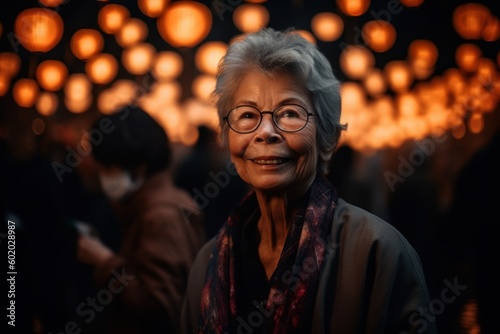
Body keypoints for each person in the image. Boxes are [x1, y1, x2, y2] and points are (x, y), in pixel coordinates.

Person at [181, 28, 437, 334]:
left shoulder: (378, 251)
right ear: (227, 137)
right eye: (247, 115)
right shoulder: (208, 262)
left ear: (328, 138)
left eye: (289, 113)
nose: (265, 131)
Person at [77, 105, 206, 333]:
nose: (103, 176)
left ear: (138, 169)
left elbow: (160, 307)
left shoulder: (160, 215)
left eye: (109, 168)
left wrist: (105, 261)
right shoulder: (158, 203)